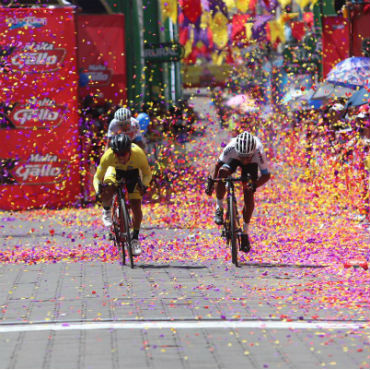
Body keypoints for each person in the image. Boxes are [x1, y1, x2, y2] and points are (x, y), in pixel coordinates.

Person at [205, 131, 271, 252]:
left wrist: (254, 185)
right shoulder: (231, 147)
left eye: (247, 157)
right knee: (222, 174)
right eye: (243, 157)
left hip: (252, 165)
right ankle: (219, 208)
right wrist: (213, 182)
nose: (245, 160)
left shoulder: (258, 151)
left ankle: (245, 234)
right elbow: (217, 166)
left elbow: (266, 175)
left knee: (249, 193)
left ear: (253, 153)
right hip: (233, 160)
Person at [94, 134, 152, 256]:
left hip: (133, 172)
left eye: (123, 154)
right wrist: (98, 190)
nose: (120, 157)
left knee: (136, 205)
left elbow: (147, 174)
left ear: (129, 151)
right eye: (117, 154)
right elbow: (97, 177)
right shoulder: (108, 156)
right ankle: (107, 210)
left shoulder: (138, 154)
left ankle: (135, 238)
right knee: (108, 187)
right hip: (115, 171)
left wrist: (144, 185)